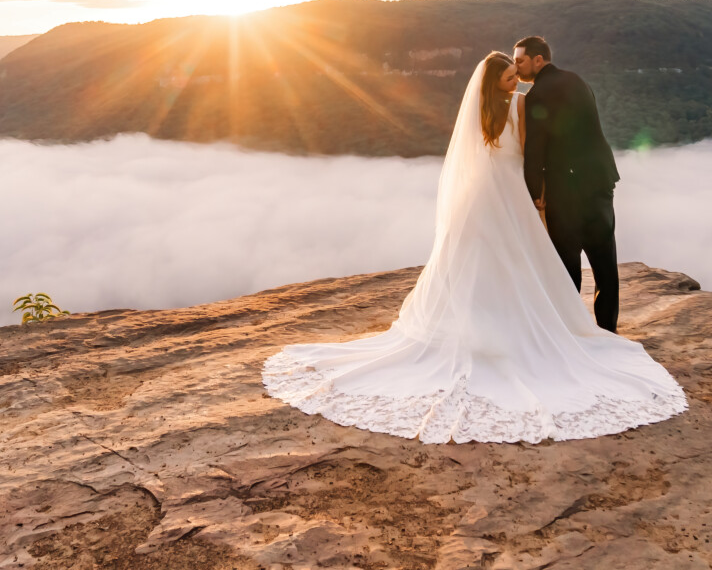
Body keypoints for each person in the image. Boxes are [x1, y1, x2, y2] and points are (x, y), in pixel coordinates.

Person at [261, 51, 685, 444]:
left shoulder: (480, 112)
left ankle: (475, 327)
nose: (516, 76)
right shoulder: (520, 103)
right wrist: (542, 196)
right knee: (517, 261)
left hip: (480, 197)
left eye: (516, 70)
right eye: (509, 74)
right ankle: (518, 328)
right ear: (498, 83)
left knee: (476, 262)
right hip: (511, 195)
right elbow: (534, 151)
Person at [514, 36, 621, 332]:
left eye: (520, 60)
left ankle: (572, 331)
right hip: (600, 181)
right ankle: (608, 329)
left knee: (567, 264)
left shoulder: (538, 93)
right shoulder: (578, 81)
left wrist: (534, 192)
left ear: (539, 60)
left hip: (565, 186)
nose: (517, 66)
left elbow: (536, 148)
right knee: (604, 262)